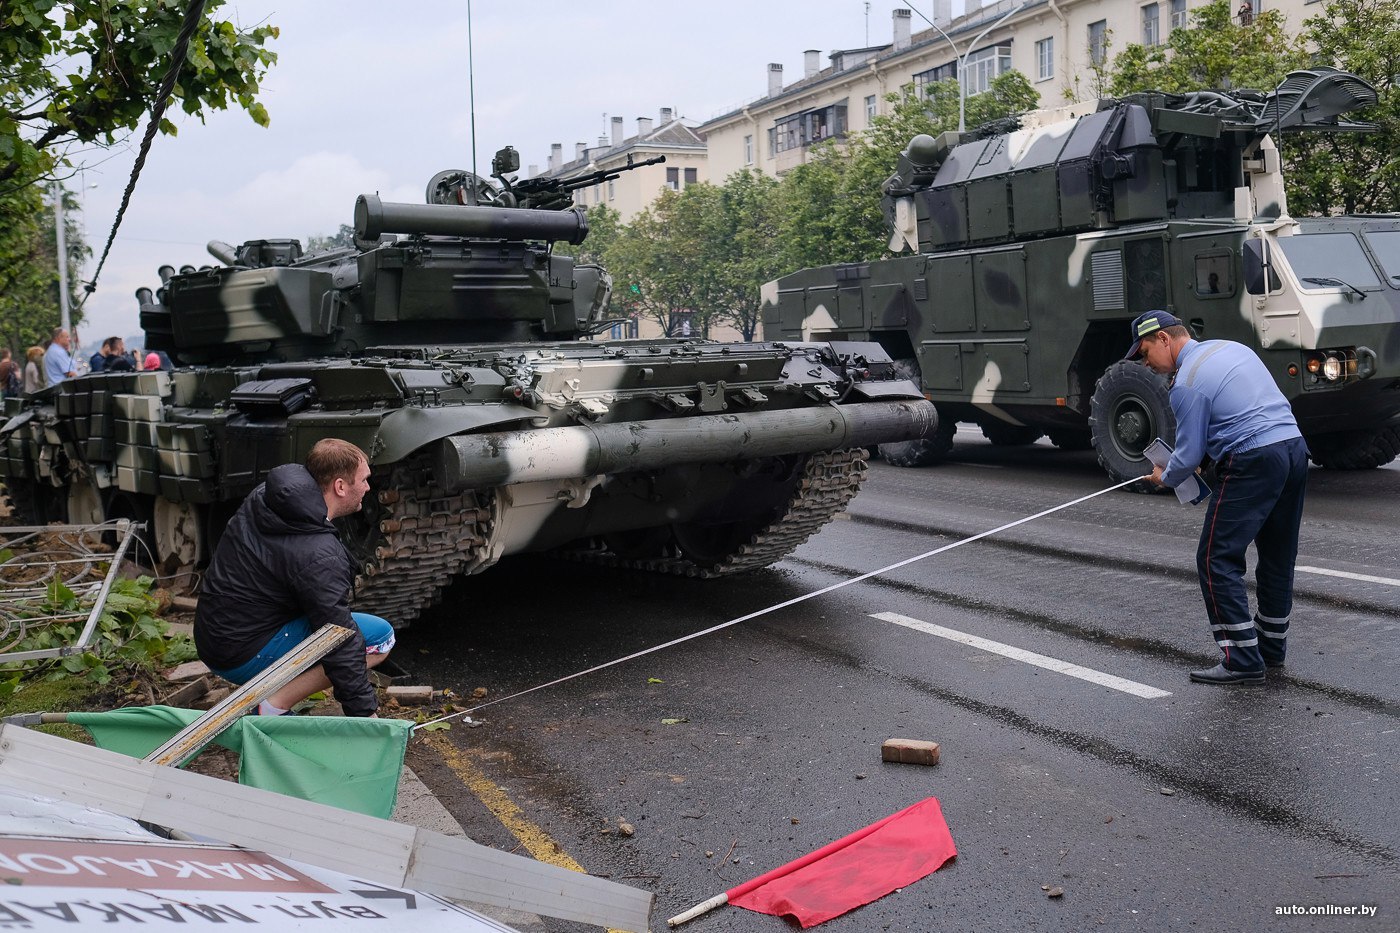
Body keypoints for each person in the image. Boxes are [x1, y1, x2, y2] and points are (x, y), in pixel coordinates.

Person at [1126, 309, 1307, 685]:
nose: (1147, 364)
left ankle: (1242, 658)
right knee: (1277, 555)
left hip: (1252, 459)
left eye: (1145, 352)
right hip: (1292, 449)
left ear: (1164, 339)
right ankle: (1270, 649)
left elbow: (1188, 458)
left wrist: (1167, 475)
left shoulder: (1186, 382)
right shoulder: (1231, 348)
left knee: (1214, 558)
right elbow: (1237, 409)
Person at [195, 438, 393, 716]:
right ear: (340, 486)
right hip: (241, 655)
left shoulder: (268, 496)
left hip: (213, 636)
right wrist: (365, 714)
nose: (368, 488)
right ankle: (273, 705)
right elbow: (339, 638)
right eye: (363, 480)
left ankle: (269, 692)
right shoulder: (319, 554)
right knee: (379, 638)